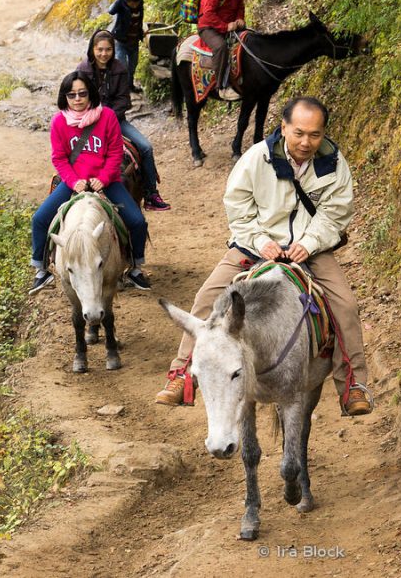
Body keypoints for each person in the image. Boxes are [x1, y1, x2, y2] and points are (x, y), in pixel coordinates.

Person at [155, 96, 373, 416]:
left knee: (345, 305)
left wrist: (309, 243)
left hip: (309, 251)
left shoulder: (334, 163)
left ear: (324, 133)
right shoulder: (257, 158)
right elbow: (239, 210)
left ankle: (354, 384)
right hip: (254, 248)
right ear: (284, 127)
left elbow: (335, 214)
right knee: (207, 297)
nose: (306, 141)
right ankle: (183, 374)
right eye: (298, 132)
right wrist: (260, 241)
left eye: (314, 134)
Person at [29, 71, 151, 293]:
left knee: (137, 221)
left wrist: (103, 179)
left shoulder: (107, 117)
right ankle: (41, 270)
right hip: (73, 182)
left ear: (90, 94)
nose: (77, 99)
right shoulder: (59, 122)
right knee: (39, 220)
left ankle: (135, 268)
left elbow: (115, 153)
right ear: (64, 97)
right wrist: (74, 181)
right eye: (72, 94)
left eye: (82, 93)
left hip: (106, 181)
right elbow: (59, 157)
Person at [77, 29, 170, 212]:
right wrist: (91, 117)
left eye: (108, 50)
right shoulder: (83, 70)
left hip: (115, 121)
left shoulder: (120, 69)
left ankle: (151, 193)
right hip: (87, 123)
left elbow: (123, 100)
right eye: (100, 49)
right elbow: (78, 99)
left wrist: (107, 117)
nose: (104, 54)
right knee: (74, 150)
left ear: (113, 50)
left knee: (145, 147)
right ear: (92, 49)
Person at [197, 0, 250, 101]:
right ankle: (222, 87)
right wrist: (225, 26)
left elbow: (240, 8)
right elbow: (208, 14)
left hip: (229, 27)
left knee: (249, 39)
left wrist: (239, 19)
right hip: (208, 28)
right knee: (220, 47)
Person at [107, 0, 145, 93]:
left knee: (132, 66)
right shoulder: (121, 4)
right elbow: (111, 11)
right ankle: (121, 90)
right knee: (122, 67)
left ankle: (130, 86)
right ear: (126, 1)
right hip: (121, 41)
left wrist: (141, 32)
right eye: (131, 3)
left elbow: (140, 19)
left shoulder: (140, 3)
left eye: (135, 3)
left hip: (134, 41)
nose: (134, 6)